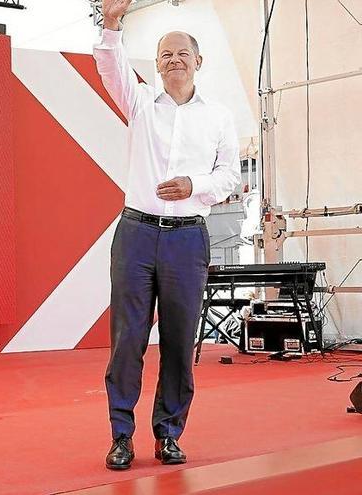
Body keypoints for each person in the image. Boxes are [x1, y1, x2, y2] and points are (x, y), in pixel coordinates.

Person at [93, 0, 241, 470]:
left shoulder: (218, 117)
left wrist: (194, 186)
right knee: (127, 340)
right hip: (136, 234)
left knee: (179, 341)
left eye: (182, 53)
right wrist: (112, 23)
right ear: (156, 65)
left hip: (187, 239)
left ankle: (169, 433)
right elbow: (110, 67)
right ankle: (121, 435)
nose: (173, 60)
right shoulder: (138, 102)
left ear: (199, 61)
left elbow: (230, 178)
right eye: (164, 54)